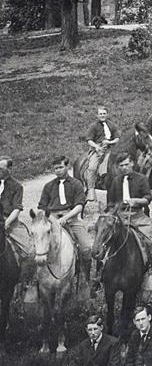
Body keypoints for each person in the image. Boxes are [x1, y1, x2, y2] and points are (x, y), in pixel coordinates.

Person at [38, 156, 92, 295]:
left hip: (72, 218)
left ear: (68, 167)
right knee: (38, 247)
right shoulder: (48, 186)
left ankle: (86, 280)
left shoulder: (76, 184)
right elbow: (42, 207)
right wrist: (50, 219)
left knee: (86, 248)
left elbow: (80, 205)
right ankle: (35, 282)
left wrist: (66, 218)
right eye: (55, 168)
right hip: (53, 219)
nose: (58, 171)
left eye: (61, 167)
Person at [107, 152, 152, 265]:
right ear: (118, 167)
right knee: (105, 240)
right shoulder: (115, 181)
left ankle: (150, 267)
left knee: (150, 241)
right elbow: (110, 203)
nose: (124, 168)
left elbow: (148, 198)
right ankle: (101, 272)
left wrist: (136, 201)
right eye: (121, 166)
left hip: (137, 216)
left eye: (126, 164)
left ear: (132, 163)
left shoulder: (141, 179)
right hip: (119, 217)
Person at [52, 314, 119, 366]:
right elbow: (77, 364)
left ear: (101, 328)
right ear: (86, 330)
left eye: (95, 329)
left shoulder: (113, 343)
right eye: (90, 330)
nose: (92, 333)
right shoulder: (84, 345)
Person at [84, 106, 120, 204]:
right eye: (100, 114)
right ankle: (91, 189)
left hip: (111, 147)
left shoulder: (112, 125)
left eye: (104, 113)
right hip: (98, 148)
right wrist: (96, 147)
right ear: (97, 115)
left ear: (107, 114)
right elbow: (89, 140)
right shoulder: (93, 126)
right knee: (92, 167)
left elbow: (117, 138)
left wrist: (110, 142)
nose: (102, 115)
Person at [0, 156, 31, 266]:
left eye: (1, 169)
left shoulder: (17, 186)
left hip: (9, 221)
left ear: (10, 169)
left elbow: (17, 209)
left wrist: (6, 224)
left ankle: (24, 277)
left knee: (27, 250)